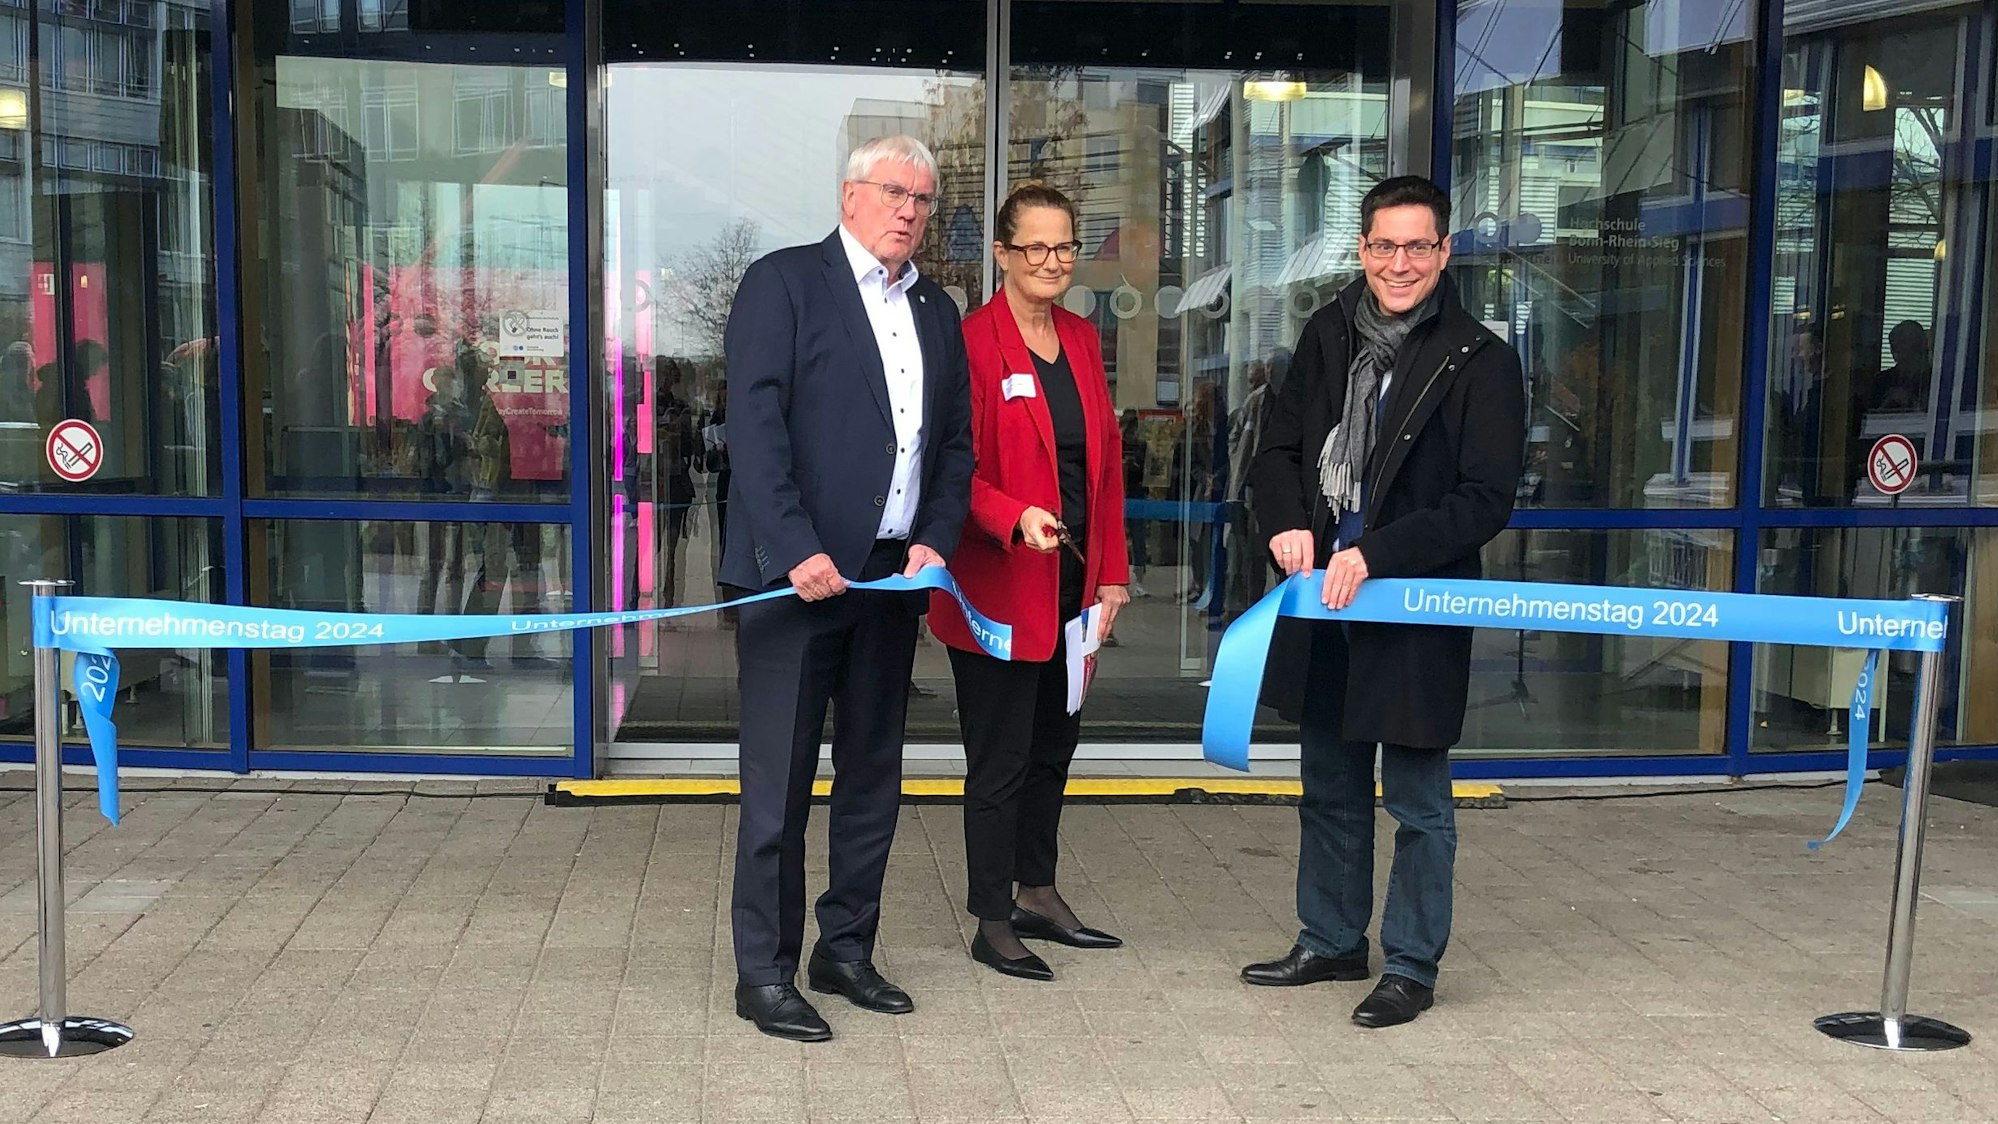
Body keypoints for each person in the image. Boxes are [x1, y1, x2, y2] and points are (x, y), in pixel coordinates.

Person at [1242, 175, 1524, 1028]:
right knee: (1327, 782)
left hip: (1412, 607)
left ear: (1443, 252)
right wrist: (1289, 524)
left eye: (1417, 246)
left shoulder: (1481, 358)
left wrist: (1375, 553)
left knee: (1417, 802)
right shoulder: (1329, 334)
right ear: (1362, 251)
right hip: (1325, 601)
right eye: (1382, 246)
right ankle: (1329, 940)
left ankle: (1409, 963)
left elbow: (1484, 499)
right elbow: (1278, 447)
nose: (1398, 263)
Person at [720, 135, 973, 1042]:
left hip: (892, 577)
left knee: (872, 776)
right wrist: (792, 547)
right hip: (798, 582)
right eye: (894, 191)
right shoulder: (783, 283)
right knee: (777, 786)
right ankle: (765, 972)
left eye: (923, 198)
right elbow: (753, 427)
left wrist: (937, 541)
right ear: (852, 195)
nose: (909, 209)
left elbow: (953, 449)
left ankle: (847, 950)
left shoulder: (939, 311)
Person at [929, 182, 1130, 982]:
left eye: (1065, 246)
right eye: (1035, 247)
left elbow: (1106, 467)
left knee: (1054, 750)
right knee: (1001, 759)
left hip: (1073, 591)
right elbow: (955, 470)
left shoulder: (1082, 338)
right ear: (1003, 256)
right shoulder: (974, 343)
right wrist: (1012, 516)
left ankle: (1039, 890)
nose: (1052, 261)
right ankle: (990, 916)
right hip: (998, 589)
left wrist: (1111, 576)